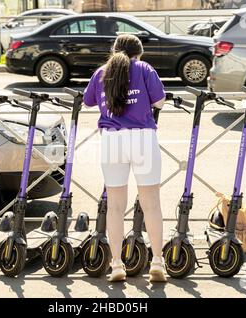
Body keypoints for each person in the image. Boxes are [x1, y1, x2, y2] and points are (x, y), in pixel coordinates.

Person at [83, 34, 167, 282]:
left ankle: (117, 265)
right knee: (151, 203)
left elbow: (88, 101)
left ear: (114, 51)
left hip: (112, 140)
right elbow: (160, 101)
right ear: (138, 54)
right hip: (142, 138)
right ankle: (157, 263)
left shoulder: (101, 72)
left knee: (116, 206)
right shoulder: (144, 68)